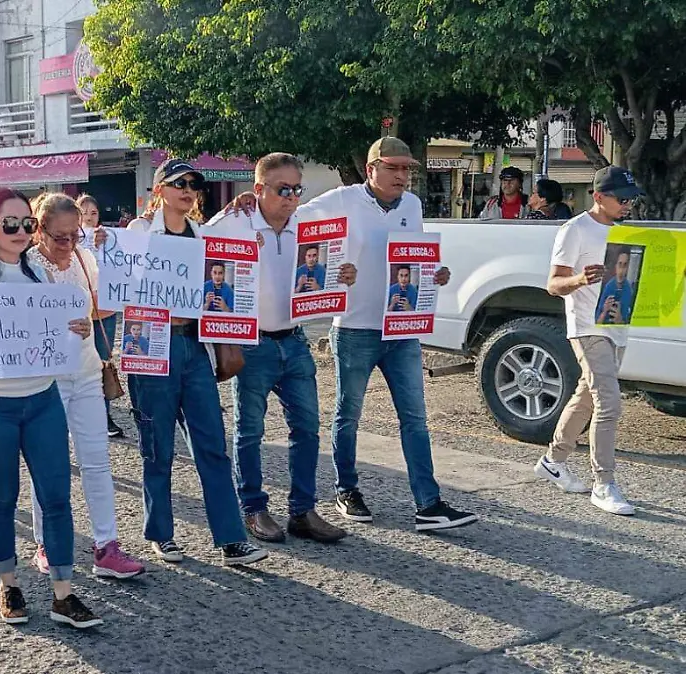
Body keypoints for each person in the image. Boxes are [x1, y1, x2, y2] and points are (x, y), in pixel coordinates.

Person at [0, 188, 104, 628]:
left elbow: (65, 330)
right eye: (9, 223)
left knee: (56, 497)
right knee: (2, 498)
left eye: (26, 224)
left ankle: (63, 595)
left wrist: (78, 327)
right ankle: (9, 584)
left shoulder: (41, 275)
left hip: (42, 399)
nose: (19, 231)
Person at [308, 137, 478, 531]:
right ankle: (346, 489)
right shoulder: (344, 199)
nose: (403, 176)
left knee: (415, 418)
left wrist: (433, 275)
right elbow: (295, 223)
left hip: (401, 329)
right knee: (348, 414)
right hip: (354, 327)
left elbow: (409, 257)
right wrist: (333, 268)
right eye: (394, 168)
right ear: (372, 169)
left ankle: (429, 504)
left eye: (408, 169)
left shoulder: (413, 206)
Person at [120, 158, 269, 566]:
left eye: (193, 184)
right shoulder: (137, 232)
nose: (187, 189)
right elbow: (117, 281)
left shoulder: (205, 237)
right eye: (177, 182)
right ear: (159, 190)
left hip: (193, 347)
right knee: (158, 447)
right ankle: (161, 533)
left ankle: (230, 538)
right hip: (152, 346)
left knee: (212, 445)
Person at [208, 152, 353, 544]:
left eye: (296, 189)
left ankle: (303, 511)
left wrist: (344, 274)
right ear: (258, 190)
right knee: (249, 431)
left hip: (294, 340)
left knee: (307, 428)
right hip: (251, 345)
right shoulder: (231, 222)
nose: (290, 197)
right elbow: (198, 264)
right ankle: (254, 509)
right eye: (282, 189)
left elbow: (332, 269)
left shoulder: (308, 226)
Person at [25, 193, 145, 580]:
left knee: (97, 462)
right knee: (49, 465)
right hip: (46, 380)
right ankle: (46, 542)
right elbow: (15, 326)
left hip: (88, 372)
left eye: (75, 235)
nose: (69, 244)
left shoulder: (83, 257)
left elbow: (98, 307)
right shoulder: (26, 267)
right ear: (38, 229)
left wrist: (133, 294)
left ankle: (106, 546)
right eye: (60, 237)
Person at [538, 166, 645, 516]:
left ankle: (553, 460)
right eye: (622, 198)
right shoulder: (575, 230)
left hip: (616, 326)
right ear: (598, 196)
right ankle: (604, 483)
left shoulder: (622, 232)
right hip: (586, 328)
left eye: (631, 198)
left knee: (586, 397)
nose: (628, 204)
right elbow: (553, 285)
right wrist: (581, 279)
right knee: (609, 402)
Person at [78, 194, 124, 438]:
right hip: (80, 312)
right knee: (81, 364)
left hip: (105, 310)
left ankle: (104, 415)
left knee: (103, 361)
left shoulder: (108, 237)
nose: (88, 217)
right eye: (83, 212)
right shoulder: (70, 241)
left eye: (93, 213)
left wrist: (106, 245)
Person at [596, 249, 635, 325]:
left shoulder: (630, 290)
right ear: (616, 266)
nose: (622, 269)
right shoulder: (607, 287)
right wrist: (604, 311)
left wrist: (619, 321)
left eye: (625, 265)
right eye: (620, 264)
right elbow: (596, 323)